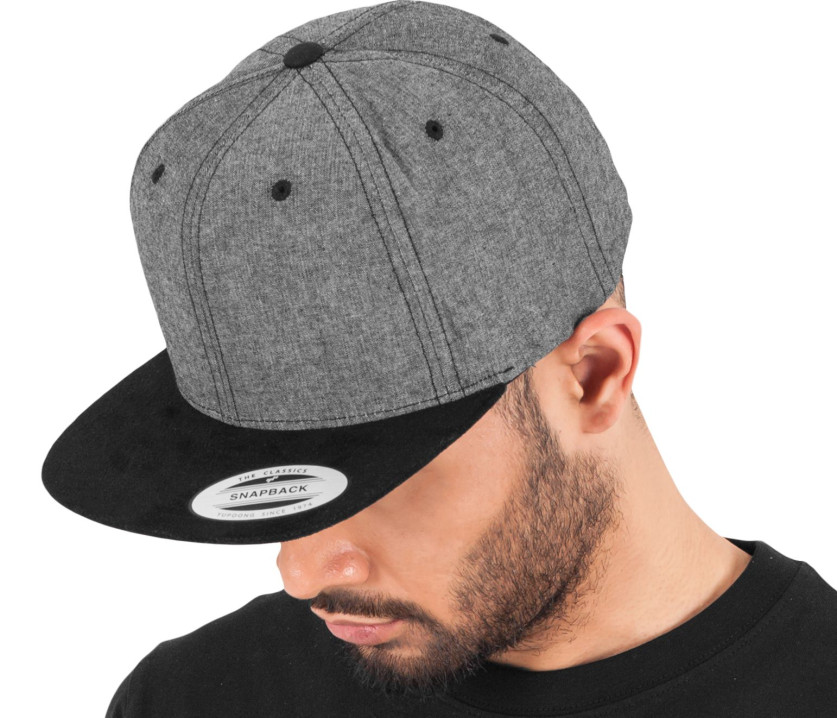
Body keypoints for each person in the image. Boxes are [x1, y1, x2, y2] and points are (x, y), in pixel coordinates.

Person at [40, 1, 836, 716]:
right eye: (278, 479)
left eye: (378, 474)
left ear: (594, 374)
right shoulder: (193, 699)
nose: (300, 571)